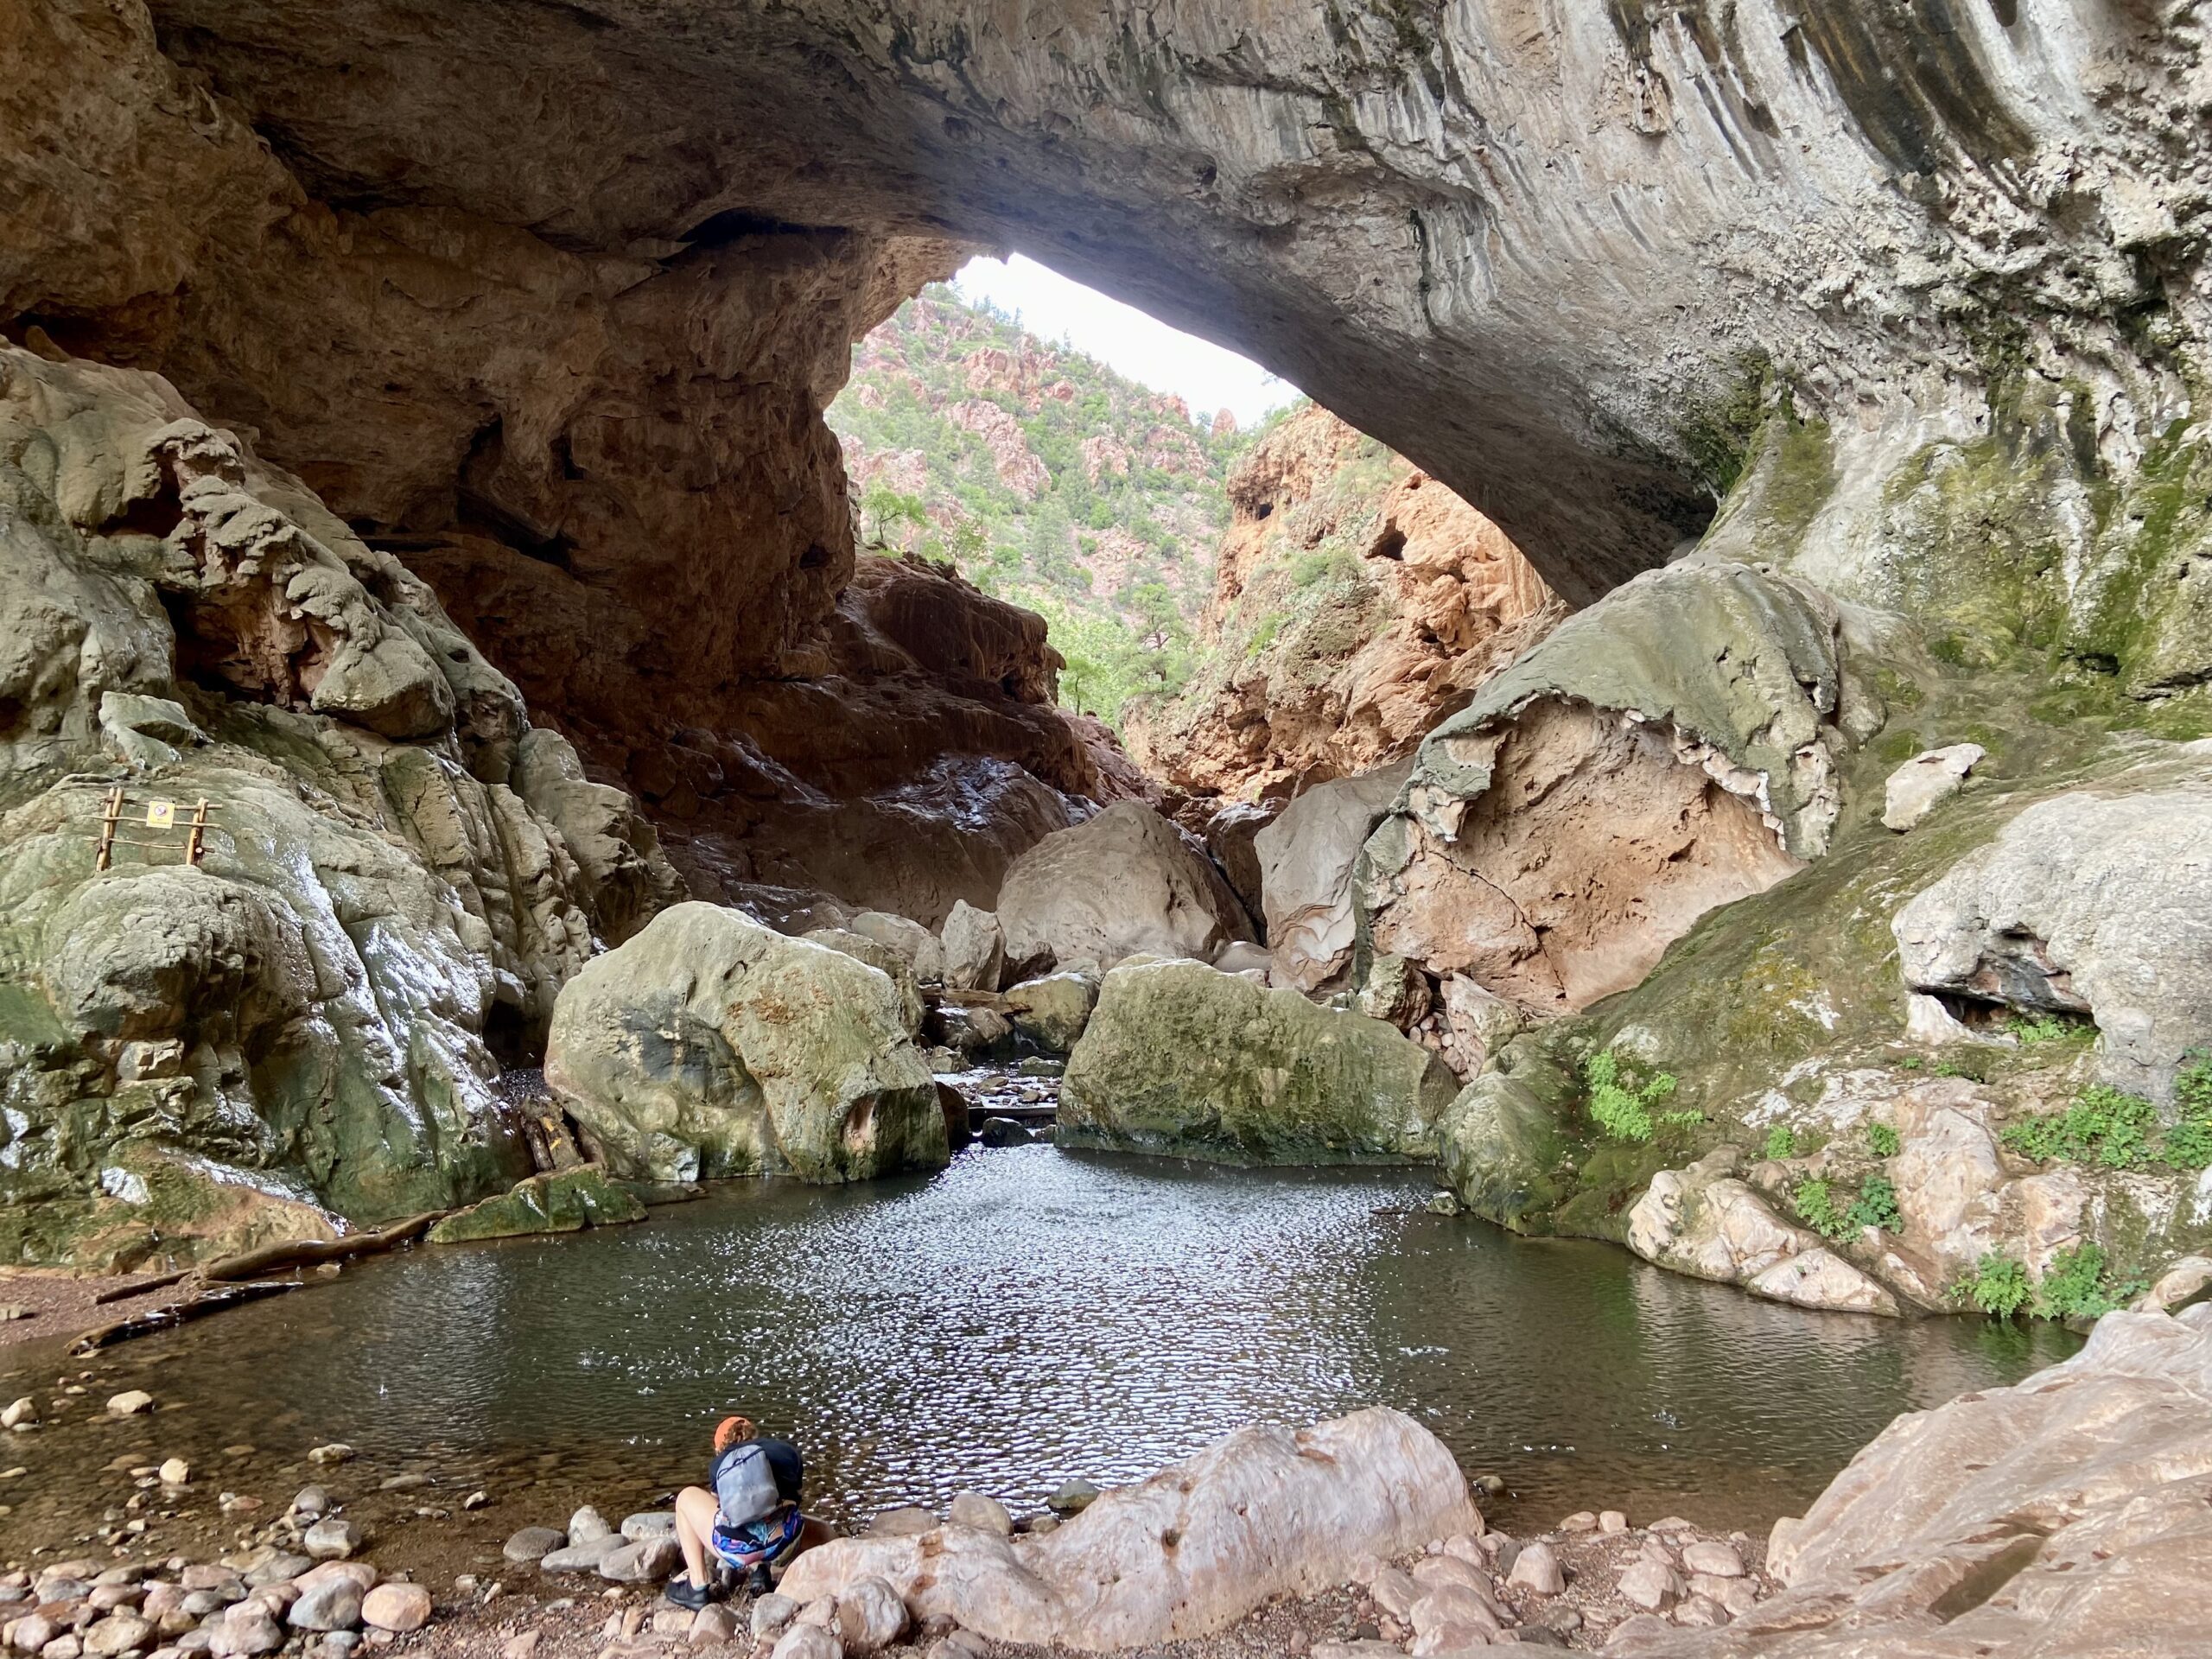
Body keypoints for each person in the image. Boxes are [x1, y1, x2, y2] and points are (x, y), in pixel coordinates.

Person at [666, 1414, 807, 1609]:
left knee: (686, 1498)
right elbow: (796, 1496)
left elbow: (723, 1513)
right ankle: (760, 1571)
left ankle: (697, 1585)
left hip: (741, 1550)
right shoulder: (785, 1450)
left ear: (720, 1447)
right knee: (769, 1511)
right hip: (786, 1539)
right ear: (754, 1433)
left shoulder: (720, 1463)